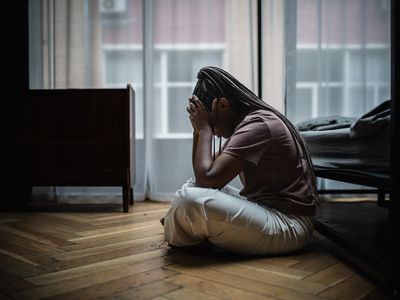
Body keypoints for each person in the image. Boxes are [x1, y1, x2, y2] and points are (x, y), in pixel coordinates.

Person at [161, 66, 319, 255]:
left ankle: (183, 230)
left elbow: (208, 178)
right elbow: (203, 173)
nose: (214, 131)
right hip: (267, 210)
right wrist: (198, 130)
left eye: (211, 123)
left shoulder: (258, 125)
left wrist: (204, 130)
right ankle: (183, 226)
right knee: (192, 187)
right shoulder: (249, 123)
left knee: (190, 201)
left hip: (289, 224)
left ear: (223, 106)